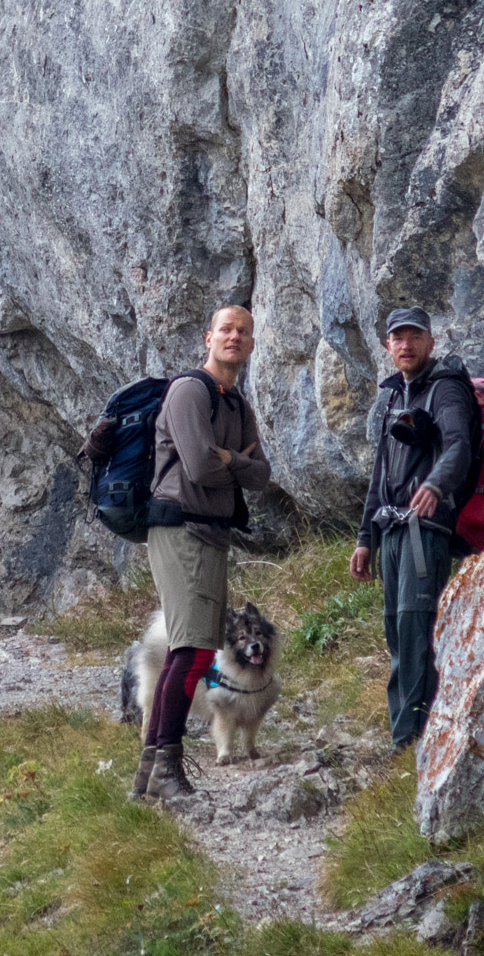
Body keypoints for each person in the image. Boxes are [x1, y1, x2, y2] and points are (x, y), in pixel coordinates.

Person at [134, 305, 272, 801]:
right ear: (208, 336)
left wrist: (230, 459)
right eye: (226, 330)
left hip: (212, 534)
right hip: (181, 530)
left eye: (244, 331)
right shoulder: (190, 391)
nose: (234, 337)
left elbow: (263, 475)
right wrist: (240, 462)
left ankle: (148, 777)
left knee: (185, 651)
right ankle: (167, 769)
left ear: (252, 343)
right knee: (191, 653)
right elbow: (197, 468)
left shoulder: (234, 402)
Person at [349, 306, 477, 753]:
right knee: (396, 631)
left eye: (414, 336)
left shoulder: (445, 390)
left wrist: (436, 486)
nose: (406, 345)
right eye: (397, 338)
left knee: (415, 627)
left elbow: (459, 443)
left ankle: (412, 741)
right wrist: (366, 538)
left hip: (427, 531)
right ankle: (406, 734)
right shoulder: (391, 397)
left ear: (430, 342)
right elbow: (380, 474)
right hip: (392, 531)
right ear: (387, 346)